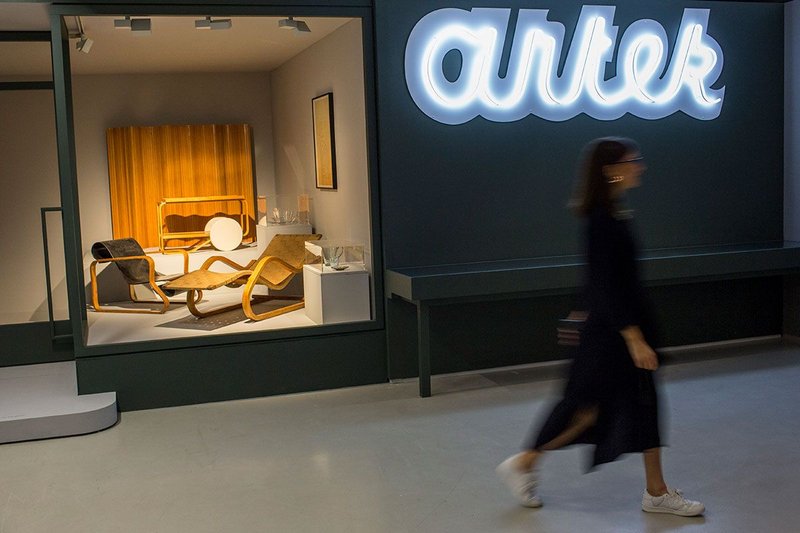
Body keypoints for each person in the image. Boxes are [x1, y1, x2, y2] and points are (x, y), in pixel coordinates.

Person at [496, 137, 704, 517]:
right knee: (585, 410)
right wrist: (633, 337)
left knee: (643, 405)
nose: (640, 165)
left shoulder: (612, 212)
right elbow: (606, 281)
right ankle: (524, 462)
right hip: (613, 336)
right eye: (632, 160)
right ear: (611, 170)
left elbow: (600, 278)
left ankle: (656, 491)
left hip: (617, 328)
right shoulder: (601, 219)